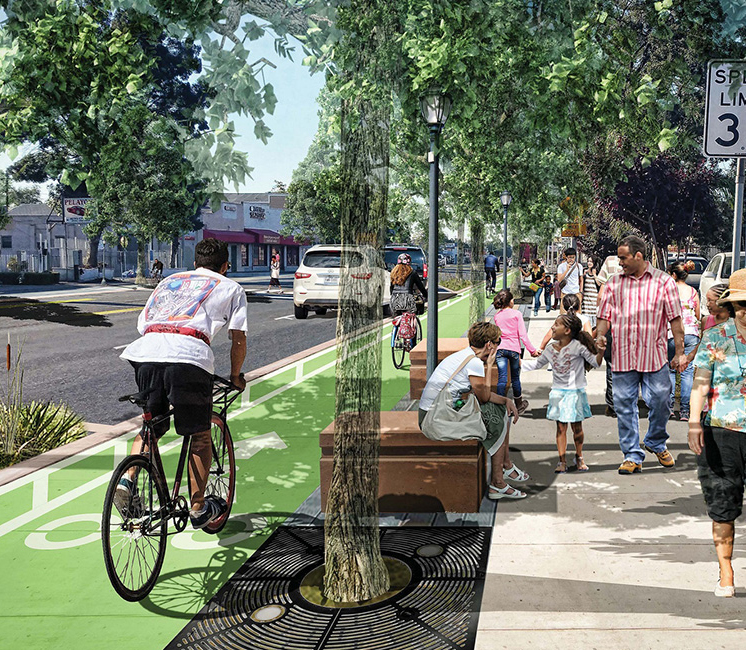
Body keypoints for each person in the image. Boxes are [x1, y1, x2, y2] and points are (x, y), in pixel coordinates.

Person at [119, 238, 248, 529]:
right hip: (189, 357)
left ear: (195, 264)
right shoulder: (231, 287)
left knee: (151, 428)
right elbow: (237, 338)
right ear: (225, 266)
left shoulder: (169, 281)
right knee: (201, 435)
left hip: (145, 353)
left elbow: (144, 323)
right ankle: (199, 508)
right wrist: (235, 376)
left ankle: (127, 481)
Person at [596, 235, 688, 475]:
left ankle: (656, 441)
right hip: (623, 355)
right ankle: (631, 455)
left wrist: (679, 353)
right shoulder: (614, 283)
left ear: (638, 255)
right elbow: (604, 316)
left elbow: (676, 320)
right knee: (624, 405)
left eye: (623, 258)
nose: (620, 262)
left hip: (654, 355)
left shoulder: (663, 282)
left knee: (661, 400)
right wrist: (600, 336)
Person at [688, 269, 746, 597]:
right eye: (741, 305)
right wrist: (694, 421)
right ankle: (725, 570)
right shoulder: (716, 337)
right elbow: (700, 383)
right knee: (723, 502)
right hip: (723, 431)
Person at [418, 322, 524, 499]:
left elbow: (484, 395)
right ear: (489, 344)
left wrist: (506, 401)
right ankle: (498, 482)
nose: (499, 345)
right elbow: (483, 396)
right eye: (498, 341)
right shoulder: (474, 363)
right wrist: (490, 365)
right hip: (434, 419)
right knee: (495, 418)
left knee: (499, 411)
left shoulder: (465, 355)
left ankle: (505, 467)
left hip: (439, 412)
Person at [522, 313, 606, 473]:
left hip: (575, 393)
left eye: (556, 325)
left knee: (577, 428)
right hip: (558, 394)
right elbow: (536, 364)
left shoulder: (578, 347)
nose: (552, 327)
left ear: (567, 330)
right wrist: (517, 363)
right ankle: (562, 460)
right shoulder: (550, 349)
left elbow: (594, 362)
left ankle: (579, 456)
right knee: (561, 428)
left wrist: (600, 352)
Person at [492, 289, 539, 415]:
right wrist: (532, 351)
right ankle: (519, 405)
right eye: (512, 299)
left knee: (502, 379)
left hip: (500, 349)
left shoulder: (497, 316)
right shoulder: (516, 314)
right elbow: (523, 335)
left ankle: (500, 407)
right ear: (509, 301)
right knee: (515, 378)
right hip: (513, 350)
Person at [667, 261, 701, 421]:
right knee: (687, 372)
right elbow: (698, 315)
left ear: (673, 275)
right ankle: (685, 411)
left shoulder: (668, 292)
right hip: (691, 334)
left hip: (672, 334)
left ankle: (669, 408)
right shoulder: (693, 292)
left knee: (671, 370)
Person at [596, 253, 624, 418]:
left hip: (612, 326)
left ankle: (613, 406)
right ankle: (626, 402)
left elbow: (600, 296)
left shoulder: (610, 261)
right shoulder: (640, 273)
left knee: (612, 367)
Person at [556, 248, 582, 313]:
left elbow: (581, 280)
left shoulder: (579, 266)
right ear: (566, 257)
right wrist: (567, 270)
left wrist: (581, 292)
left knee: (577, 314)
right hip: (565, 293)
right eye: (569, 257)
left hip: (576, 292)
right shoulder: (561, 266)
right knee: (564, 314)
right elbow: (559, 279)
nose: (571, 259)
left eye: (573, 257)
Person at [580, 256, 599, 327]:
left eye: (591, 261)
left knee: (595, 324)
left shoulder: (598, 272)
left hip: (595, 302)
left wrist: (594, 275)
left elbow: (599, 284)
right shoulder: (585, 273)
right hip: (586, 302)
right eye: (588, 261)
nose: (589, 263)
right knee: (587, 324)